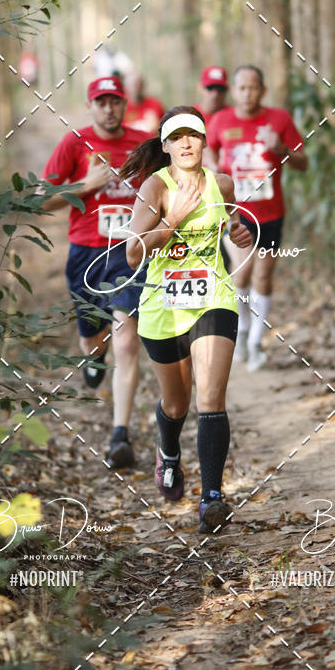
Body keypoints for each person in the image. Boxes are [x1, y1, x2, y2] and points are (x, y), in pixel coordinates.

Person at [120, 106, 252, 533]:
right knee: (176, 403)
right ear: (166, 146)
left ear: (204, 140)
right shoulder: (154, 189)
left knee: (210, 398)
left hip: (213, 295)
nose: (186, 143)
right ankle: (169, 451)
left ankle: (212, 497)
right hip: (163, 305)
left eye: (192, 135)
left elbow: (234, 226)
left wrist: (239, 232)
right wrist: (172, 220)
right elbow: (133, 252)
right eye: (176, 137)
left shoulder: (224, 183)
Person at [41, 76, 150, 469]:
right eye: (101, 101)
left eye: (115, 101)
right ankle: (92, 357)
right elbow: (43, 200)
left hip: (128, 253)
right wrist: (86, 185)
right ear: (90, 106)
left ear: (125, 104)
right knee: (94, 338)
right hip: (86, 252)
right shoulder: (75, 142)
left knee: (126, 341)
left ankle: (120, 435)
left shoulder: (144, 143)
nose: (108, 108)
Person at [206, 65, 307, 371]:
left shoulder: (279, 120)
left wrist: (282, 149)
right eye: (241, 88)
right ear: (233, 91)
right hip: (234, 212)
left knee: (262, 277)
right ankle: (244, 330)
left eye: (253, 88)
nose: (247, 93)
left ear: (262, 91)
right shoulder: (221, 120)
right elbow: (208, 153)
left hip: (271, 213)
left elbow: (303, 162)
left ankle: (256, 342)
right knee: (241, 273)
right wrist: (215, 170)